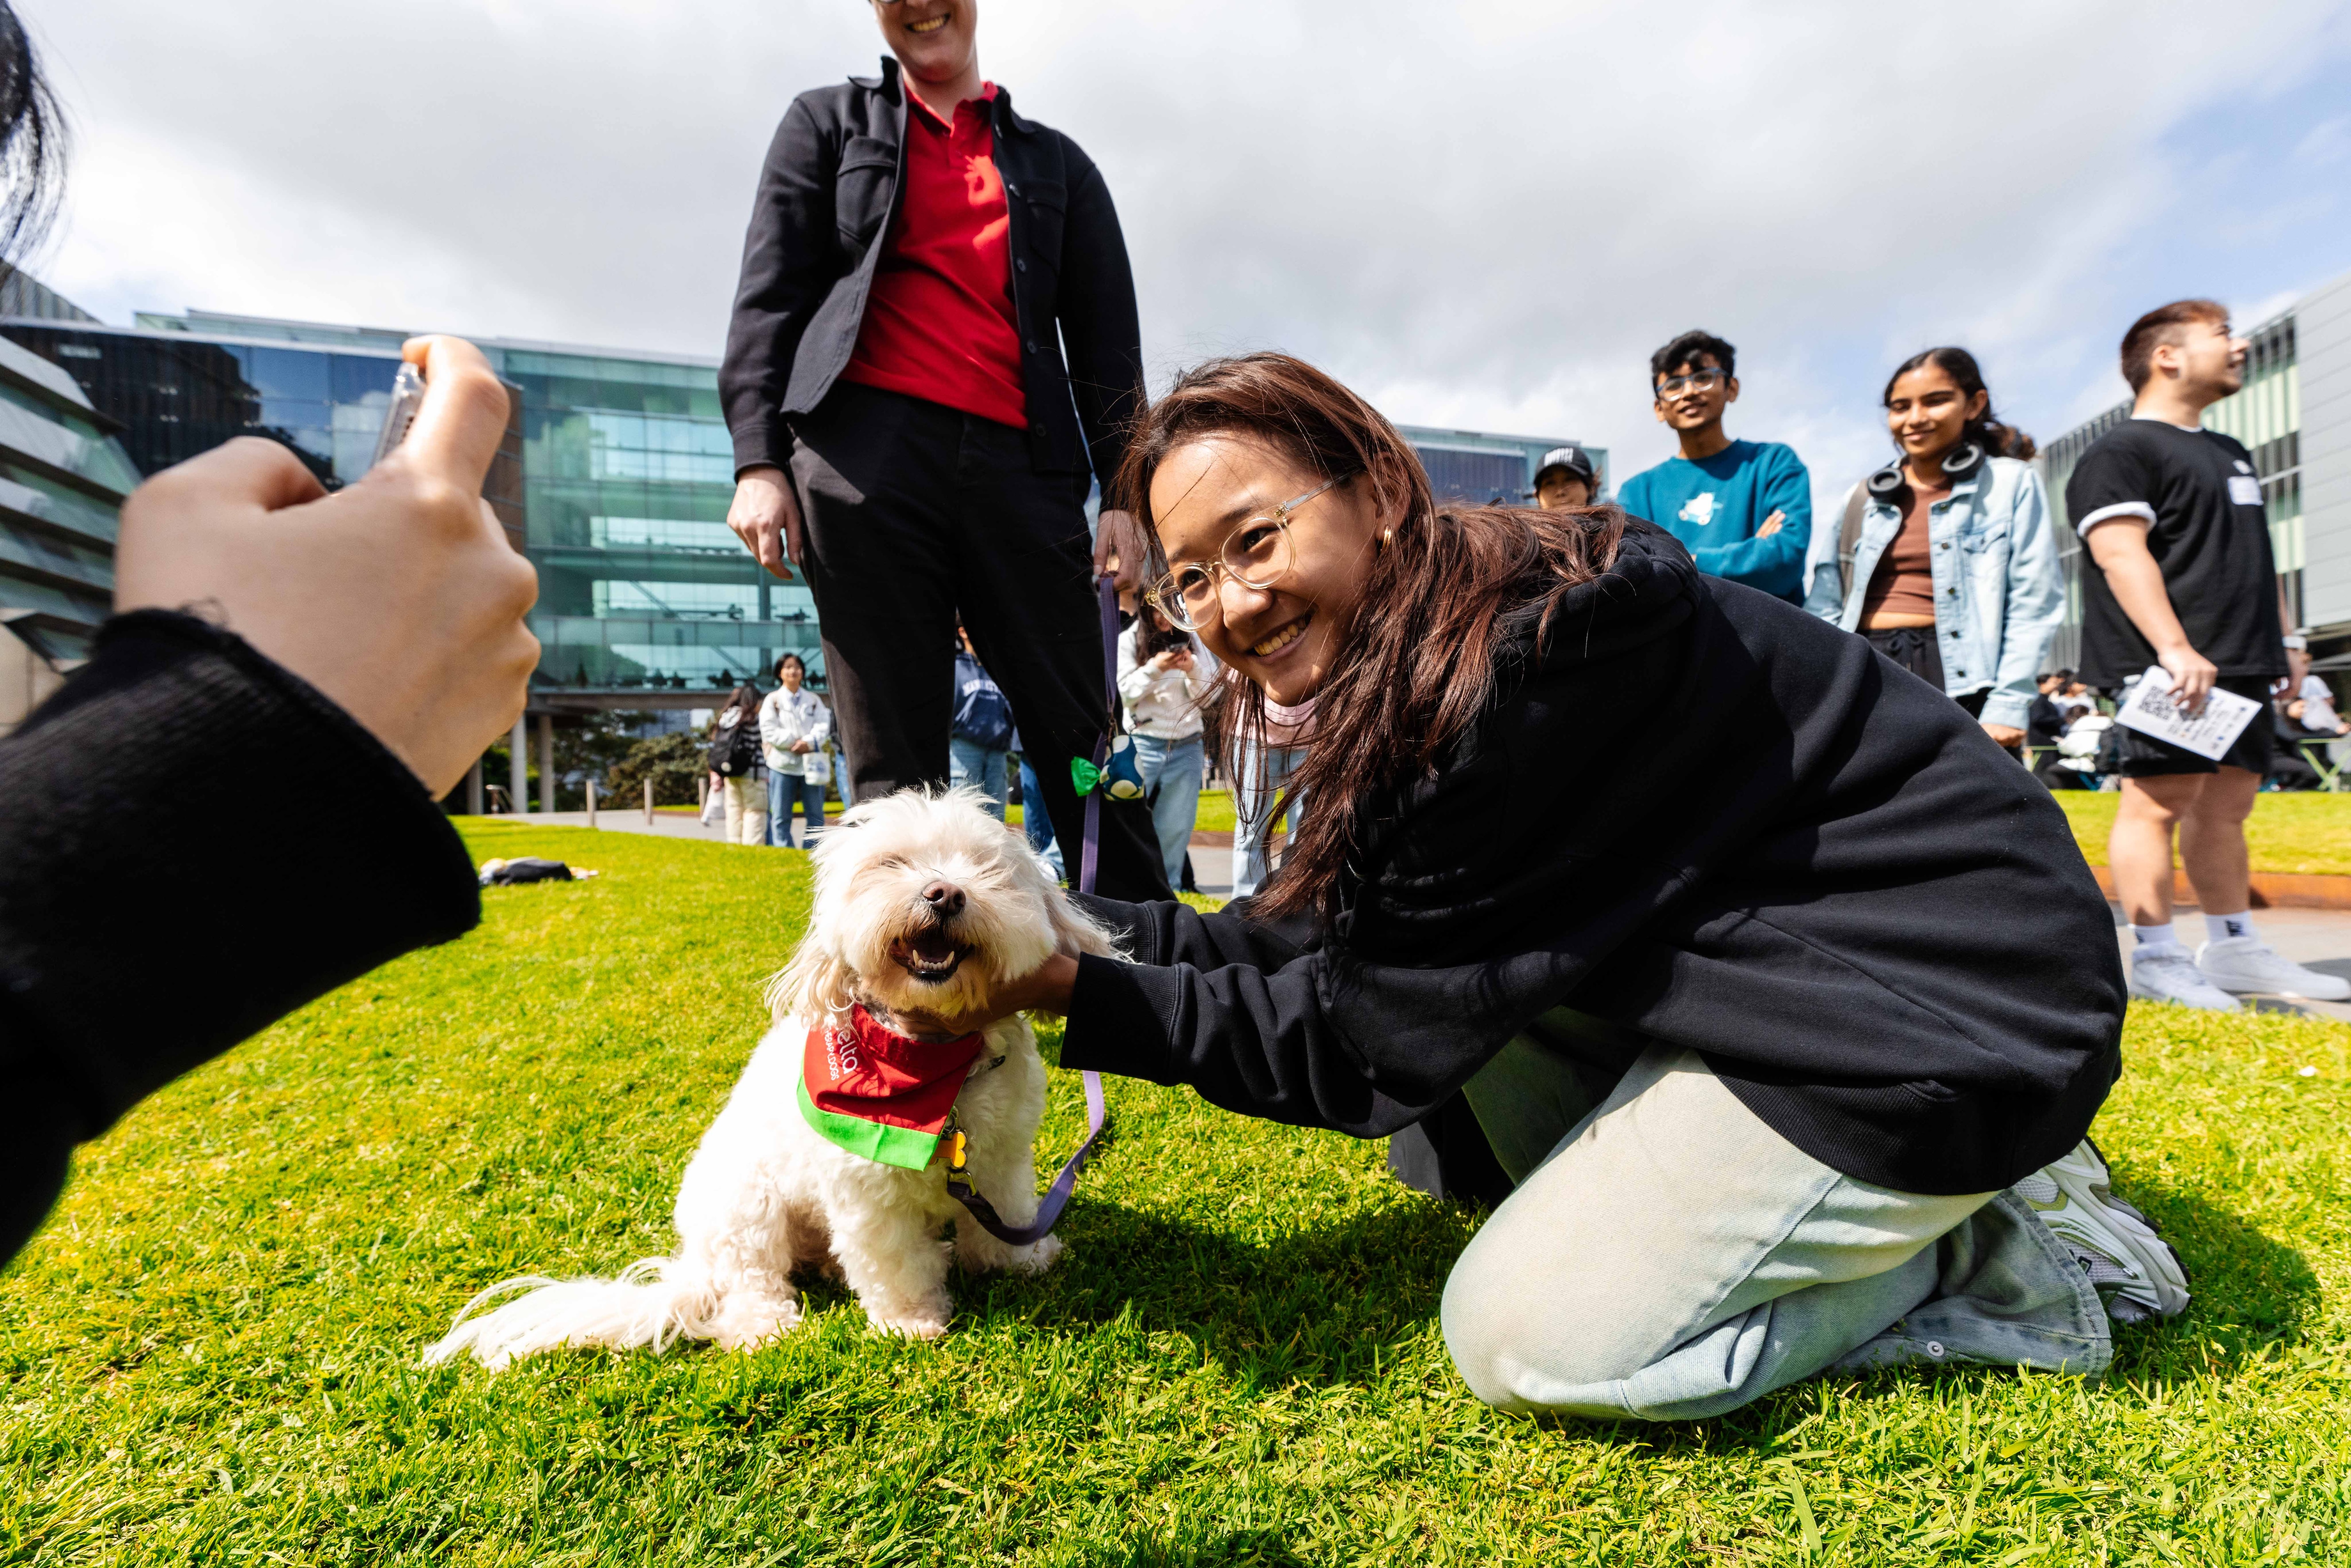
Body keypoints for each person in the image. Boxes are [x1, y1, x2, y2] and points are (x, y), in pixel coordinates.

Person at [915, 351, 2189, 1422]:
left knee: (1528, 1335)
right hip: (1806, 968)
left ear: (1379, 493)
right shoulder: (1431, 644)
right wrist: (1040, 918)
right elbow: (1313, 933)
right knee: (1508, 1157)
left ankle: (2013, 1247)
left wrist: (1069, 981)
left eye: (1257, 538)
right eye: (1190, 577)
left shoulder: (1525, 672)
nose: (1231, 604)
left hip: (1954, 1012)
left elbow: (1351, 1038)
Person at [718, 0, 1170, 901]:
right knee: (892, 751)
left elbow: (1107, 342)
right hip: (862, 461)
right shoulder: (827, 124)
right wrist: (759, 461)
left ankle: (1149, 966)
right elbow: (769, 300)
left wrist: (1125, 492)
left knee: (1082, 732)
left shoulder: (1056, 165)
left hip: (1021, 467)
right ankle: (917, 994)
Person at [2066, 299, 2346, 1007]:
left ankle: (2234, 946)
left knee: (2228, 804)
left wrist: (2287, 644)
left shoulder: (2231, 452)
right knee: (2157, 801)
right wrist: (2173, 646)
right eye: (2222, 333)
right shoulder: (2123, 450)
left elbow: (2258, 558)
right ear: (2166, 355)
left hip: (2243, 659)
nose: (2240, 344)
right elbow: (2119, 552)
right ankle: (2159, 958)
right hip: (2172, 664)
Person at [1805, 348, 2063, 753]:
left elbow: (2035, 601)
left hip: (1964, 674)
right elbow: (1825, 603)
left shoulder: (2011, 485)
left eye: (1936, 400)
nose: (1915, 418)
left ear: (1974, 404)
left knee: (1972, 812)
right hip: (1867, 666)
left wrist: (2009, 702)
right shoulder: (1861, 497)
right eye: (1900, 406)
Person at [1616, 331, 1811, 603]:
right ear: (1659, 408)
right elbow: (1637, 578)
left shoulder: (1773, 463)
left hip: (1769, 639)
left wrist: (1680, 562)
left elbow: (1783, 563)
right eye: (1673, 385)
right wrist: (1750, 553)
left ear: (1731, 388)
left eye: (1703, 378)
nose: (1689, 392)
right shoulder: (1637, 492)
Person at [1118, 599, 1215, 888]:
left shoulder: (1195, 638)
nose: (1167, 619)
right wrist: (1153, 669)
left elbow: (1211, 696)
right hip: (1143, 741)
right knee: (1128, 818)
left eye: (1173, 610)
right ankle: (1126, 884)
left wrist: (1193, 668)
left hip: (1187, 743)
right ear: (1147, 610)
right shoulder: (1129, 640)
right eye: (1159, 610)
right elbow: (1122, 694)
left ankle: (1169, 887)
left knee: (1176, 825)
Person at [760, 653, 831, 848]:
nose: (793, 671)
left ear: (802, 673)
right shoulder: (772, 700)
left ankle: (812, 850)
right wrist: (793, 742)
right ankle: (784, 849)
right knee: (781, 814)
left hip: (811, 765)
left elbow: (823, 726)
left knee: (816, 814)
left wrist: (807, 743)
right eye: (788, 667)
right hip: (782, 764)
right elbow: (768, 729)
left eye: (797, 667)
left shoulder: (814, 700)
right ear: (780, 673)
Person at [949, 627, 1015, 819]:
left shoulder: (995, 667)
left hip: (997, 750)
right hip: (965, 748)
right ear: (962, 632)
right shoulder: (956, 665)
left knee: (996, 817)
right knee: (964, 815)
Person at [709, 685, 771, 845]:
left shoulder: (726, 717)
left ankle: (735, 845)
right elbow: (762, 743)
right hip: (753, 774)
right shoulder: (753, 719)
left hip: (731, 773)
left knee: (734, 811)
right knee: (755, 811)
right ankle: (753, 848)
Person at [1530, 444, 1599, 511]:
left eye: (1570, 479)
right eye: (1550, 483)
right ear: (1537, 496)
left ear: (1591, 487)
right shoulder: (1523, 523)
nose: (1560, 492)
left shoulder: (1608, 523)